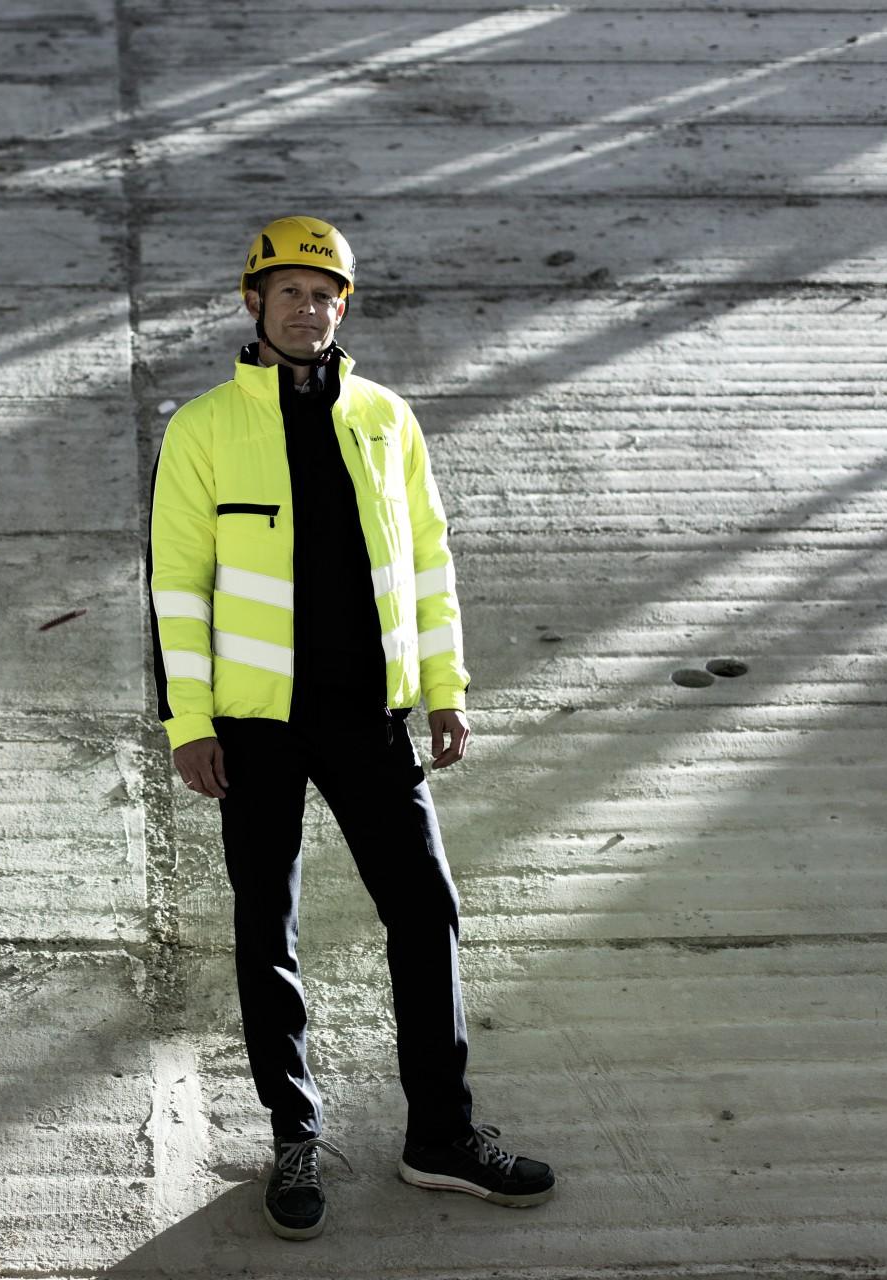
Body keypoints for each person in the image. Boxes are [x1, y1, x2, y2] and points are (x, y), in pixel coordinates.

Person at [145, 215, 555, 1240]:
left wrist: (448, 686)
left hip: (372, 715)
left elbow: (426, 561)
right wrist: (187, 723)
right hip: (255, 727)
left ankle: (441, 1136)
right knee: (266, 931)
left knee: (427, 910)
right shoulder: (201, 429)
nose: (306, 305)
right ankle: (293, 1137)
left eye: (324, 291)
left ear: (343, 307)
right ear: (252, 303)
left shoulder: (385, 418)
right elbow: (175, 588)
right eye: (286, 289)